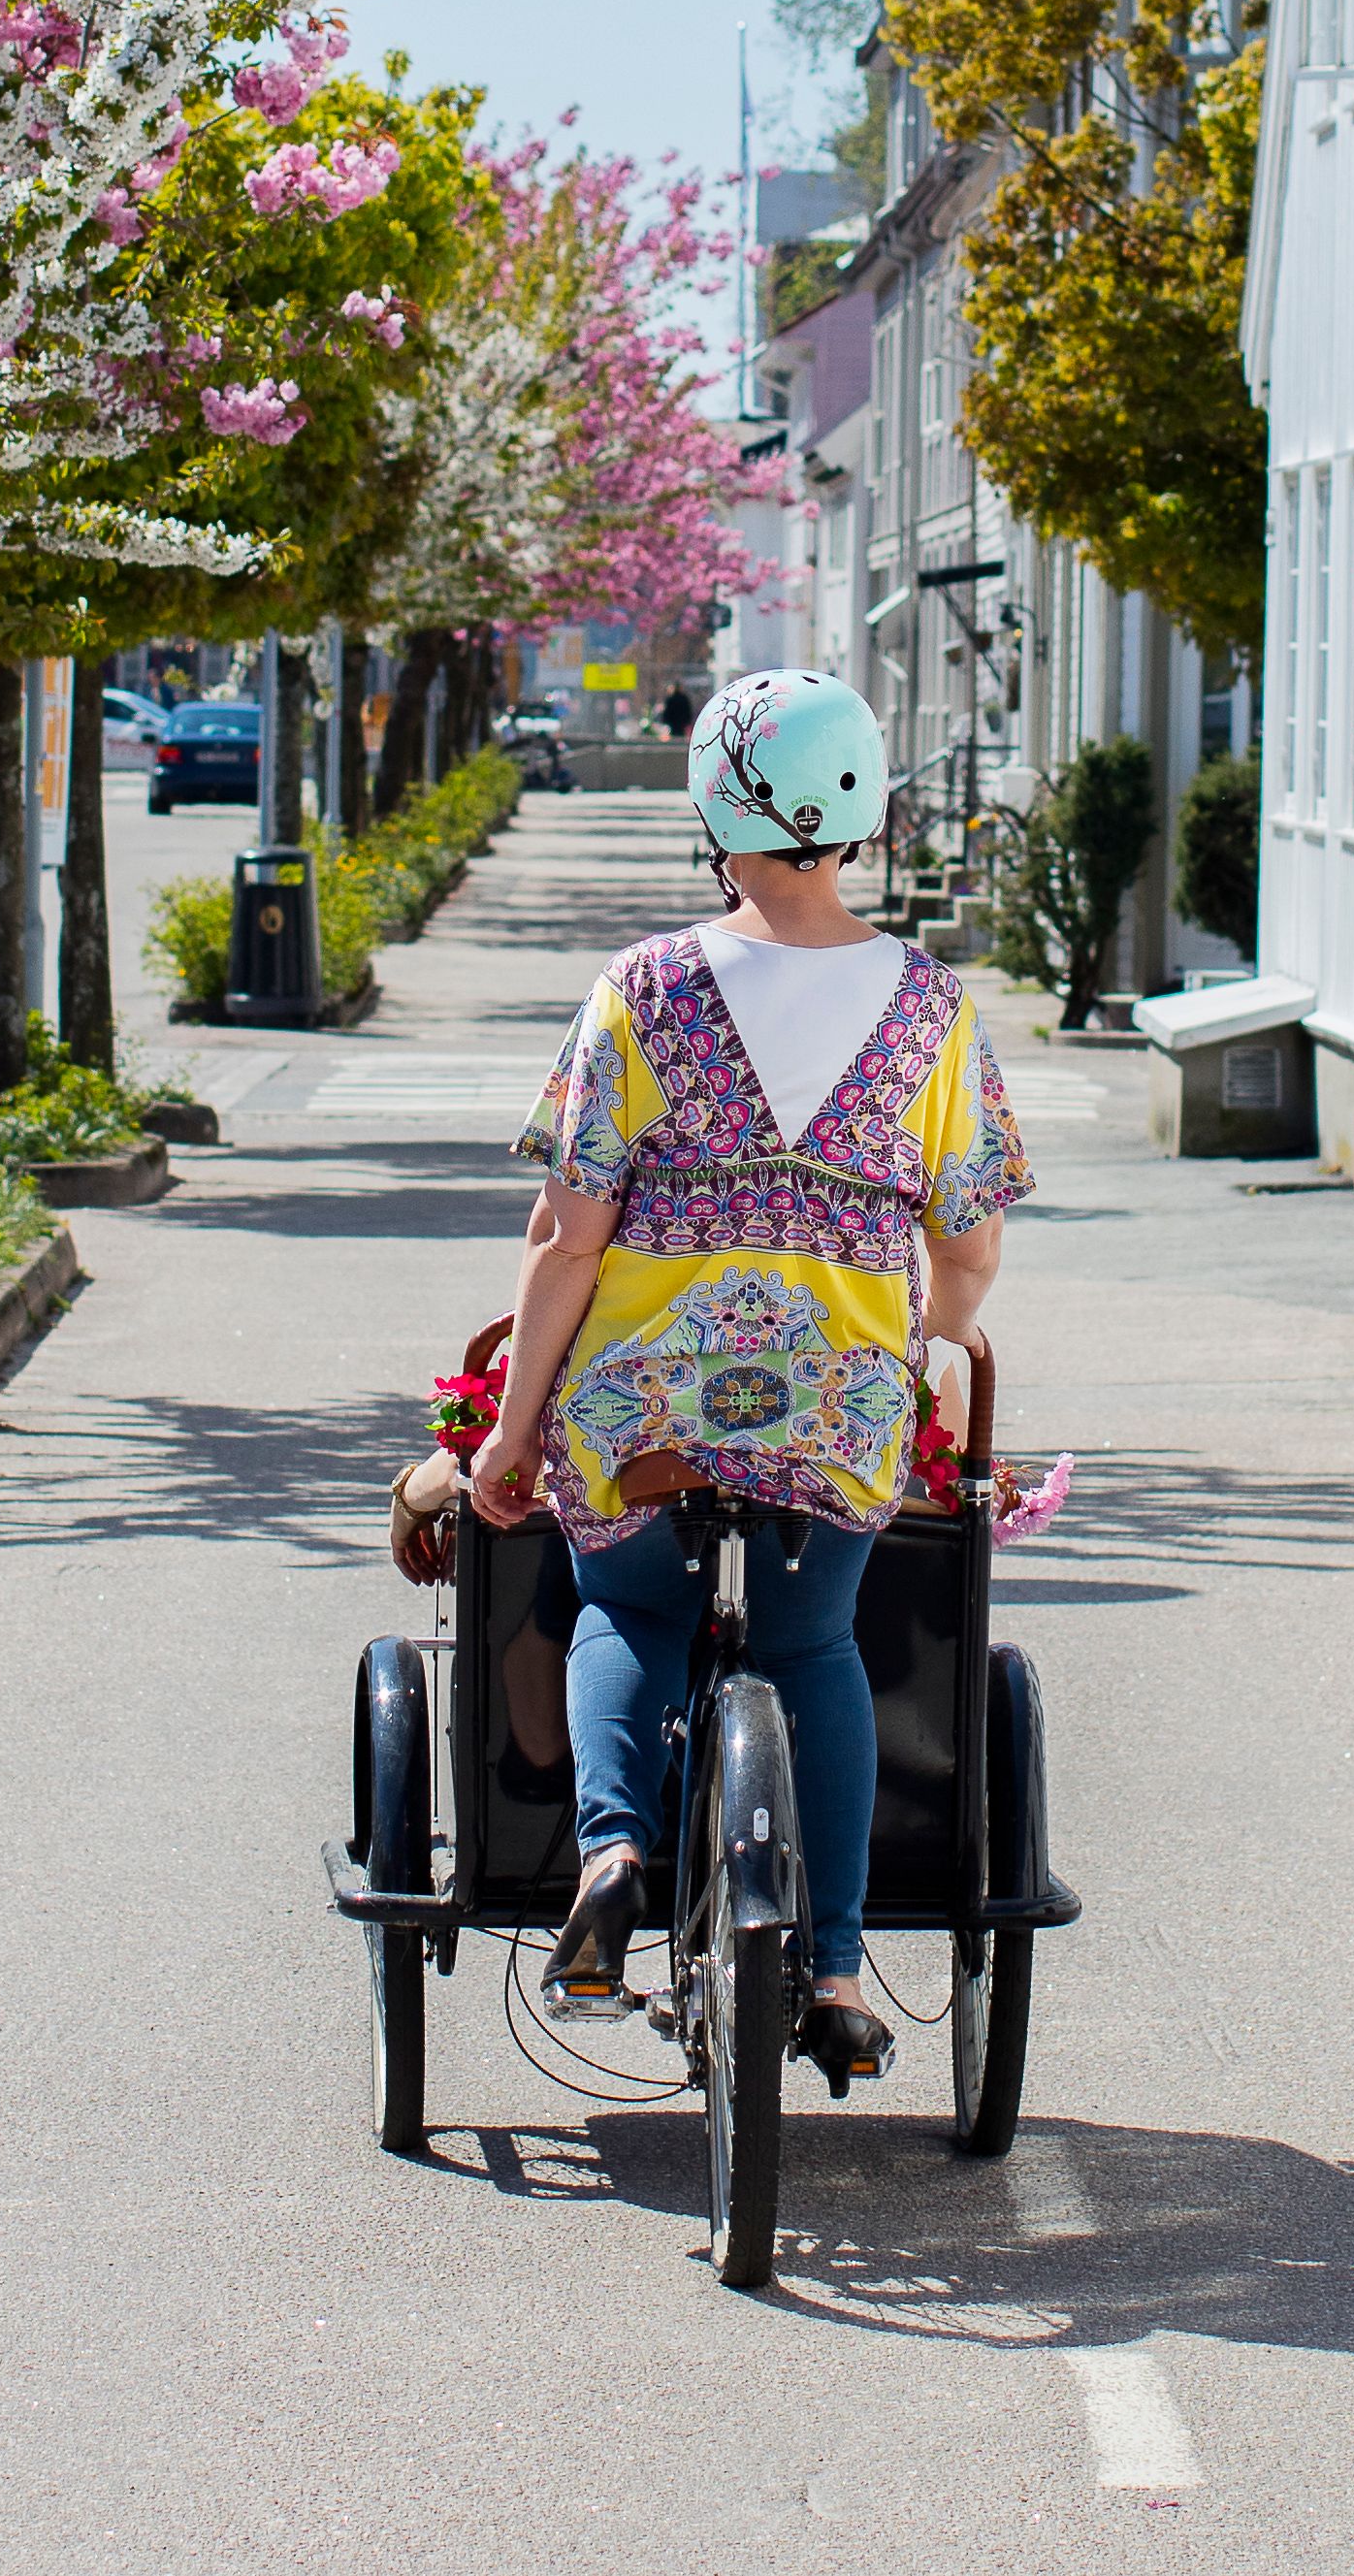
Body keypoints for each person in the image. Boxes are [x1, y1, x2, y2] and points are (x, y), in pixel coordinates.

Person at [459, 666, 1025, 2091]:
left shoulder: (641, 991)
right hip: (835, 1407)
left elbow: (565, 1240)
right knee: (814, 1642)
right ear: (865, 810)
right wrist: (925, 1335)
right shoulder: (934, 1009)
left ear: (711, 808)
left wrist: (511, 1437)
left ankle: (611, 1852)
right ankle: (833, 1967)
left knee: (628, 1601)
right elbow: (969, 1250)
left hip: (645, 1403)